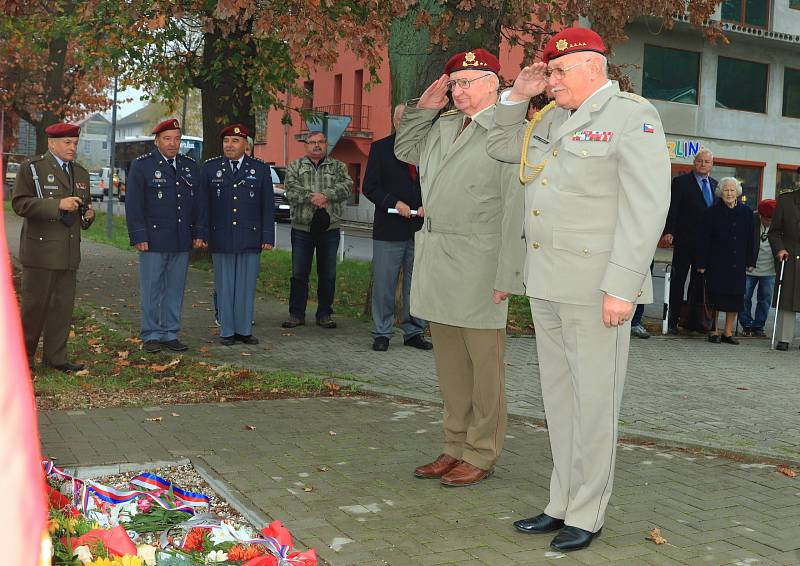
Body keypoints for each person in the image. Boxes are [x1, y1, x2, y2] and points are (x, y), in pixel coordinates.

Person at [486, 27, 670, 551]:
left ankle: (588, 513)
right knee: (560, 401)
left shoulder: (633, 117)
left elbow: (646, 208)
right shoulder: (550, 117)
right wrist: (517, 96)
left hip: (596, 288)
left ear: (594, 67)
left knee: (594, 405)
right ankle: (561, 502)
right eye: (549, 70)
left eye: (560, 70)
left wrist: (622, 287)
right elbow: (500, 146)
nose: (552, 79)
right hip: (547, 280)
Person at [395, 48, 525, 488]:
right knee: (450, 367)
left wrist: (509, 273)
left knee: (485, 370)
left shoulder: (508, 131)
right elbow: (405, 150)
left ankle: (482, 452)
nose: (458, 90)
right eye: (454, 83)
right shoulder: (444, 124)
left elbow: (515, 209)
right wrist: (423, 109)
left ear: (495, 83)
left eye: (468, 81)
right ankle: (453, 447)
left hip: (480, 262)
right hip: (438, 257)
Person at [11, 122, 95, 372]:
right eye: (67, 143)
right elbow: (20, 204)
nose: (72, 148)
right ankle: (22, 360)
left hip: (69, 252)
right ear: (52, 143)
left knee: (62, 308)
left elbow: (83, 207)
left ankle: (56, 358)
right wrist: (57, 205)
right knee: (34, 309)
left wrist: (88, 215)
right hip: (41, 252)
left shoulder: (80, 172)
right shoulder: (32, 169)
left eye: (75, 143)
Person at [125, 119, 202, 354]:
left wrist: (198, 233)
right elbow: (134, 204)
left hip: (180, 239)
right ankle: (150, 333)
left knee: (175, 289)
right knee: (152, 288)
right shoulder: (143, 166)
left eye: (177, 138)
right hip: (153, 240)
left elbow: (197, 204)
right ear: (157, 140)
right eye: (167, 139)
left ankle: (170, 333)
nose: (173, 143)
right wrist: (138, 235)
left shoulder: (189, 166)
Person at [197, 124, 274, 346]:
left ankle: (243, 329)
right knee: (225, 285)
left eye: (235, 141)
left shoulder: (259, 169)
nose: (230, 145)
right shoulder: (211, 168)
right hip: (221, 236)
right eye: (226, 141)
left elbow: (267, 206)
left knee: (246, 285)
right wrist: (201, 233)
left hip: (250, 236)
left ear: (245, 145)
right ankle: (227, 330)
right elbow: (203, 205)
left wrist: (267, 237)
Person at [362, 104, 431, 352]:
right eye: (403, 118)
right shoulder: (381, 149)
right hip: (389, 228)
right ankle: (382, 332)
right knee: (385, 283)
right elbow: (369, 187)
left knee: (417, 283)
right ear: (395, 121)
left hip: (420, 228)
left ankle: (414, 331)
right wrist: (394, 202)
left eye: (412, 118)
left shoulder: (429, 149)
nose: (407, 122)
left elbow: (436, 184)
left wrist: (428, 205)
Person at [281, 131, 352, 329]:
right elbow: (291, 190)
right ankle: (296, 314)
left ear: (326, 144)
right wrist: (313, 197)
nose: (317, 145)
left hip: (329, 229)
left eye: (321, 142)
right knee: (299, 273)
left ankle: (324, 314)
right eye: (312, 142)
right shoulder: (295, 166)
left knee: (327, 273)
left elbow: (347, 186)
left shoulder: (338, 166)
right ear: (306, 145)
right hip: (302, 229)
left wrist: (326, 195)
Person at [663, 150, 718, 333]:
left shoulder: (715, 185)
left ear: (712, 165)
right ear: (694, 163)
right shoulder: (681, 182)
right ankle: (672, 320)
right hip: (685, 240)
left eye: (707, 162)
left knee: (698, 284)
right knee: (678, 281)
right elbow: (673, 208)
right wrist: (669, 230)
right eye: (700, 161)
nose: (703, 164)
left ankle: (693, 321)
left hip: (705, 245)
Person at [696, 178, 755, 345]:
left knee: (735, 299)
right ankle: (713, 331)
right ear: (720, 193)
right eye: (726, 190)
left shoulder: (746, 212)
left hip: (738, 263)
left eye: (732, 190)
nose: (729, 193)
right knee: (715, 298)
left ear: (737, 192)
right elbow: (703, 240)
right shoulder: (711, 212)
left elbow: (751, 239)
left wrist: (750, 261)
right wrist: (701, 263)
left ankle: (727, 332)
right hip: (717, 263)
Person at [768, 178, 800, 351]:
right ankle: (784, 338)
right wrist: (780, 249)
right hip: (790, 257)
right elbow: (774, 232)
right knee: (787, 298)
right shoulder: (786, 201)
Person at [739, 199, 776, 337]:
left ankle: (759, 326)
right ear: (760, 214)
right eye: (766, 219)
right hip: (750, 267)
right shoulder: (750, 220)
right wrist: (746, 261)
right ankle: (746, 324)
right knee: (744, 296)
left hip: (770, 268)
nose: (769, 222)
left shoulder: (780, 222)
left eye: (771, 219)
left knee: (765, 298)